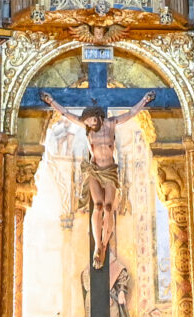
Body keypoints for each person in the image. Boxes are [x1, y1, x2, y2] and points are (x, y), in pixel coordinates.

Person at [41, 90, 156, 268]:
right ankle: (97, 246)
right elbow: (66, 113)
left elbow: (131, 113)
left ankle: (104, 243)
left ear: (98, 117)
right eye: (86, 121)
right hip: (94, 170)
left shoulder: (111, 124)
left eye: (91, 120)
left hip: (109, 170)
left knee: (109, 207)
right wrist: (51, 101)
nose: (89, 124)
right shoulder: (87, 128)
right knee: (99, 205)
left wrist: (145, 100)